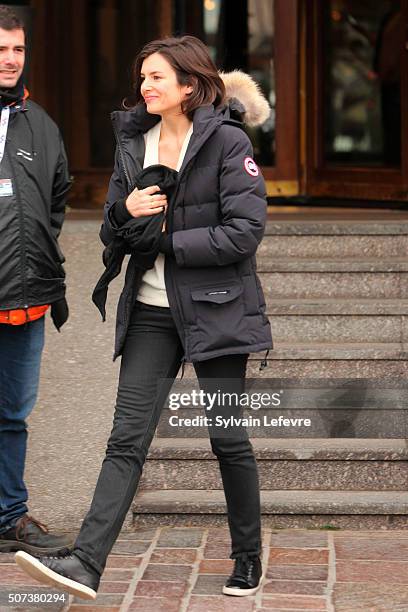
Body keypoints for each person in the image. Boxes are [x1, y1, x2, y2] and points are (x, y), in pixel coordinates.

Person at [15, 35, 272, 598]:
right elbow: (112, 232)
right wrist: (126, 211)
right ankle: (86, 562)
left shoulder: (228, 143)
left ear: (189, 85)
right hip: (152, 314)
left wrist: (163, 238)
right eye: (143, 78)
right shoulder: (136, 142)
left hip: (217, 311)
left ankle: (248, 556)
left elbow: (245, 232)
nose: (145, 87)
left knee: (227, 440)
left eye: (156, 77)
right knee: (125, 440)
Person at [0, 6, 72, 554]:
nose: (10, 59)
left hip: (24, 299)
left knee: (12, 414)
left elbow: (55, 203)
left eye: (18, 49)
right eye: (1, 48)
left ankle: (9, 517)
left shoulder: (41, 125)